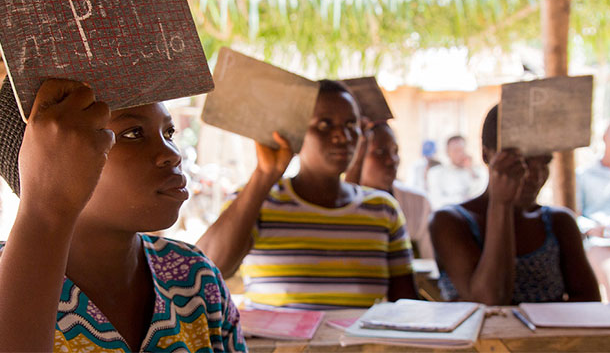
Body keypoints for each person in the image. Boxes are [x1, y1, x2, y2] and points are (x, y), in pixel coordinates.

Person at [0, 78, 246, 352]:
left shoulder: (195, 277)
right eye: (133, 133)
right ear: (42, 163)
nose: (172, 155)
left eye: (169, 132)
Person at [197, 80, 418, 310]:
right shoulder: (260, 200)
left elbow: (406, 303)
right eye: (325, 124)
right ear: (296, 132)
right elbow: (205, 269)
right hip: (278, 346)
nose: (342, 136)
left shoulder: (382, 209)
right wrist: (264, 174)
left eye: (350, 124)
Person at [430, 105, 600, 305]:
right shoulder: (451, 222)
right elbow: (490, 300)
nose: (536, 176)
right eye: (523, 162)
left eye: (545, 162)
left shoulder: (559, 223)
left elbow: (589, 304)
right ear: (487, 156)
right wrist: (501, 205)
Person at [345, 121, 433, 259]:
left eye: (395, 151)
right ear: (357, 157)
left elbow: (429, 266)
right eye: (380, 152)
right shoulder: (338, 205)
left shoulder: (419, 204)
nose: (391, 160)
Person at [576, 121, 610, 301]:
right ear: (605, 140)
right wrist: (597, 229)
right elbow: (575, 215)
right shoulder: (584, 175)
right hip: (599, 244)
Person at [427, 135, 487, 209]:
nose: (459, 154)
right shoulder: (436, 173)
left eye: (461, 150)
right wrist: (462, 200)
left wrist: (470, 170)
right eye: (455, 150)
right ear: (447, 152)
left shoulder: (477, 172)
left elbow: (480, 193)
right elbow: (436, 201)